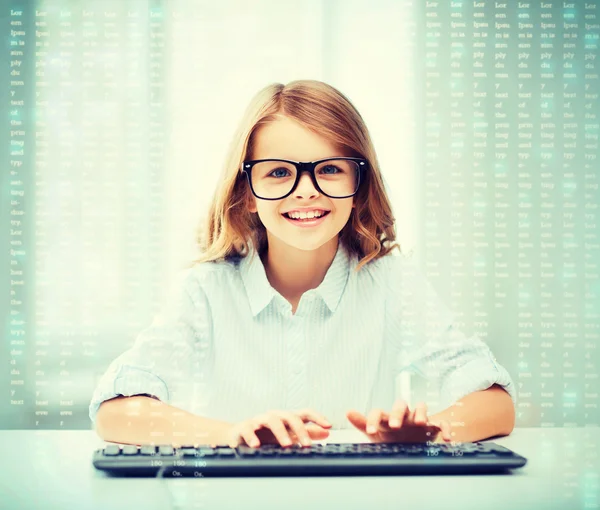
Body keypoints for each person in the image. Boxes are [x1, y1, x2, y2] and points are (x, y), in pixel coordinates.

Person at [89, 79, 516, 449]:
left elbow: (495, 402)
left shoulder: (392, 283)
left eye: (329, 169)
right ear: (248, 190)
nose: (306, 191)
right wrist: (234, 433)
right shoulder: (206, 290)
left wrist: (432, 433)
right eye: (278, 172)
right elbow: (116, 413)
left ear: (358, 183)